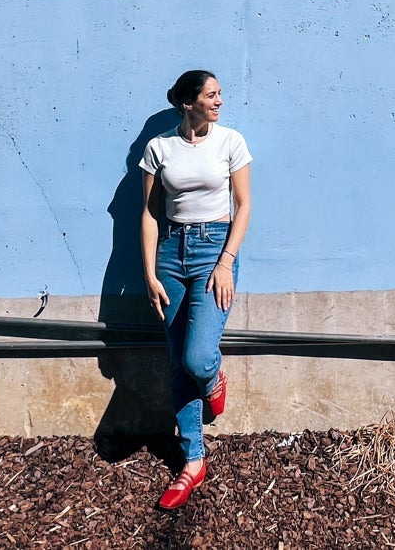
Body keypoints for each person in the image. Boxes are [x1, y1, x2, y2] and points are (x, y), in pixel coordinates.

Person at [139, 69, 252, 510]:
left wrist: (225, 261)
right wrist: (149, 274)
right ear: (188, 103)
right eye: (211, 95)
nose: (219, 101)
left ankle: (214, 377)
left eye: (220, 94)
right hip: (170, 254)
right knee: (177, 362)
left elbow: (243, 206)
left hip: (213, 251)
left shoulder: (231, 142)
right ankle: (192, 460)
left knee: (198, 358)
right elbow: (150, 214)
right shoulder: (159, 148)